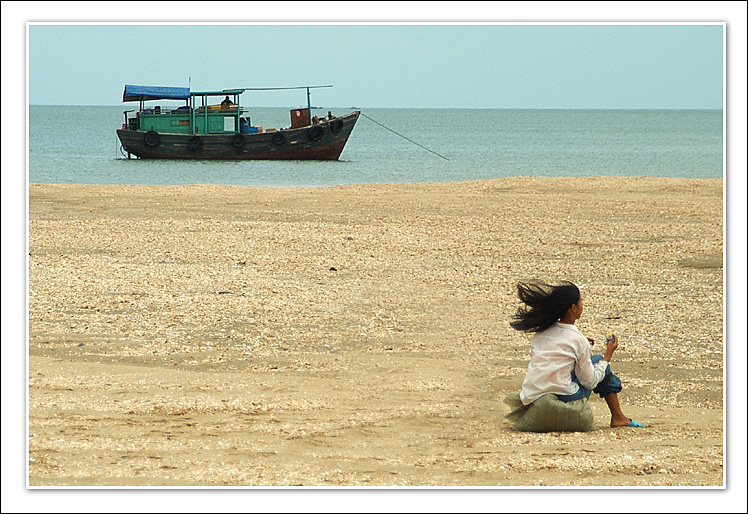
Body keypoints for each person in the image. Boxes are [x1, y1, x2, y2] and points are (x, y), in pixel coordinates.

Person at [510, 280, 643, 428]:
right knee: (599, 361)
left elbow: (556, 352)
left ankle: (619, 417)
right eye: (581, 302)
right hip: (565, 396)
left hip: (534, 396)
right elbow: (590, 382)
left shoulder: (541, 332)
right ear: (573, 308)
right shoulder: (578, 340)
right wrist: (607, 356)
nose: (582, 306)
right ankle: (618, 417)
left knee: (583, 364)